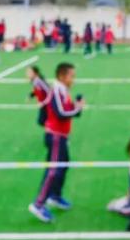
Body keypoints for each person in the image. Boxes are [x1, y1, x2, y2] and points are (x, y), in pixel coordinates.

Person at [29, 62, 85, 223]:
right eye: (71, 76)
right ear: (62, 76)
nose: (73, 79)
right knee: (53, 170)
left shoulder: (63, 90)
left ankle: (55, 195)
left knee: (63, 164)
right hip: (55, 136)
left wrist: (76, 106)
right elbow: (60, 112)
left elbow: (67, 110)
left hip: (61, 135)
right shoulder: (57, 90)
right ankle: (38, 204)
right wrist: (78, 108)